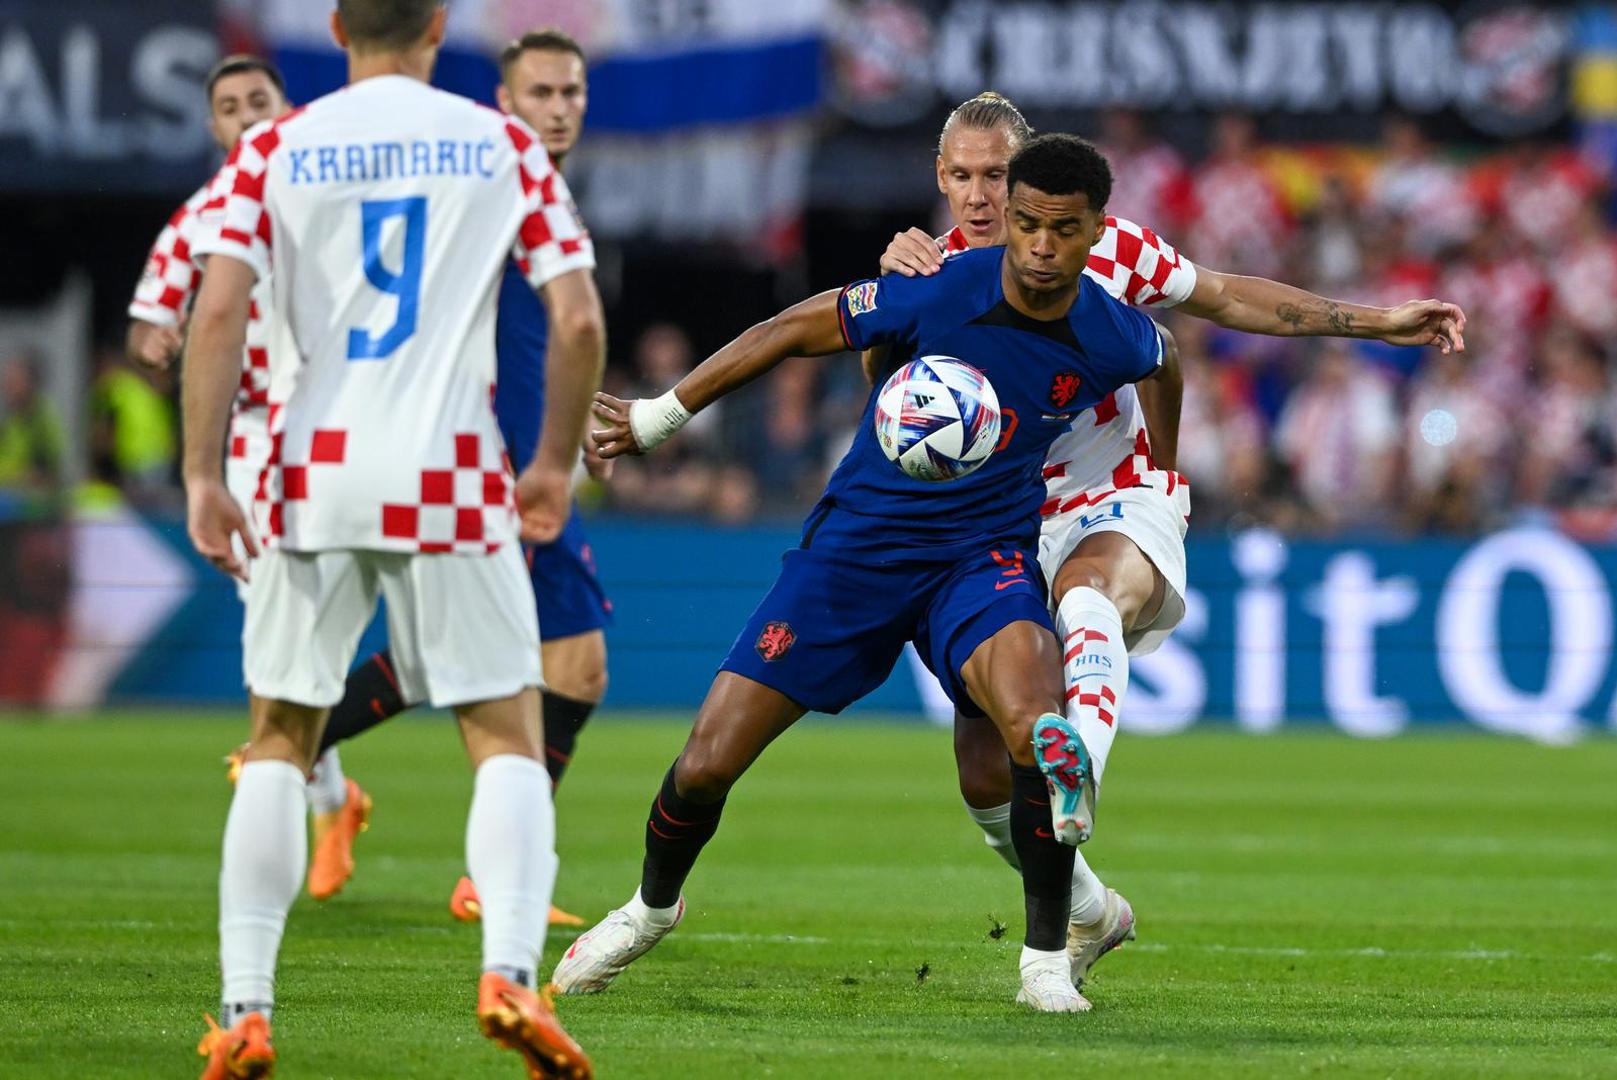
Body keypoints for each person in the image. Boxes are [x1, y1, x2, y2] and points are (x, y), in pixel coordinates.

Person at [557, 133, 1174, 1014]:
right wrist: (662, 415)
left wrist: (1166, 474)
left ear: (1092, 232)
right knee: (703, 766)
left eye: (1062, 231)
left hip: (981, 560)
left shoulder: (1110, 330)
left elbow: (1167, 359)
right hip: (854, 553)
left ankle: (1043, 960)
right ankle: (649, 909)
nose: (1041, 247)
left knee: (1035, 726)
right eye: (1027, 225)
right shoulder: (939, 290)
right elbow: (785, 329)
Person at [877, 95, 1465, 1000]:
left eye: (996, 173)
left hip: (1117, 498)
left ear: (1033, 173)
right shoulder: (933, 274)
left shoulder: (1105, 247)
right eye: (960, 175)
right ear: (938, 180)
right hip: (998, 525)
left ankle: (1079, 778)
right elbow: (887, 405)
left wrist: (1373, 319)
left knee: (1086, 602)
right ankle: (1090, 908)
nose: (980, 194)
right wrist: (889, 307)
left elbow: (1227, 295)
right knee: (984, 782)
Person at [182, 2, 602, 1076]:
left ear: (334, 27)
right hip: (450, 468)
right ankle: (508, 975)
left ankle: (245, 1011)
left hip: (306, 472)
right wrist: (551, 462)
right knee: (505, 733)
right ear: (438, 29)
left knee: (279, 737)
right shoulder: (501, 141)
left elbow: (219, 311)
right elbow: (581, 320)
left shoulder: (274, 144)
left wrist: (197, 472)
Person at [298, 27, 611, 928]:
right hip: (499, 460)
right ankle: (299, 748)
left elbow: (545, 334)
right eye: (541, 94)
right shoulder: (494, 181)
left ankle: (295, 743)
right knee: (565, 663)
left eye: (571, 93)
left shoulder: (524, 185)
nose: (559, 108)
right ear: (506, 101)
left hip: (506, 445)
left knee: (480, 657)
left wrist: (577, 407)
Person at [126, 54, 375, 904]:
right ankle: (328, 797)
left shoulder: (326, 197)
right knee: (276, 625)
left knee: (311, 631)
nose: (241, 116)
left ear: (284, 107)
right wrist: (154, 345)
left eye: (256, 101)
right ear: (212, 125)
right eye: (227, 106)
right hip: (250, 440)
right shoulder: (197, 220)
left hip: (344, 425)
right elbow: (149, 318)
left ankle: (315, 786)